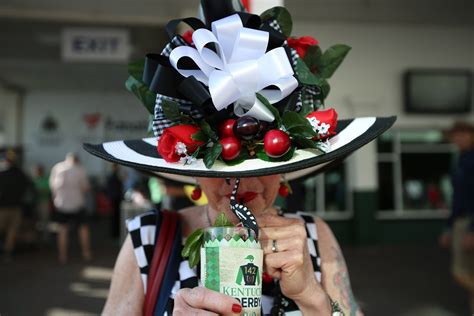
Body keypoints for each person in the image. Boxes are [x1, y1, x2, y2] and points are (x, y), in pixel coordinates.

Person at [84, 0, 395, 314]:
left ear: (285, 169)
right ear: (195, 173)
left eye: (264, 164)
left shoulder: (314, 237)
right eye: (222, 169)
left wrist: (310, 295)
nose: (245, 181)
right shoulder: (149, 240)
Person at [439, 121, 474, 312]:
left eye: (464, 134)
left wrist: (472, 230)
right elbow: (457, 198)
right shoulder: (460, 159)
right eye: (456, 135)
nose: (459, 138)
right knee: (461, 272)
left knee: (465, 271)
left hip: (470, 222)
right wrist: (448, 228)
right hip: (460, 221)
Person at [49, 152, 92, 263]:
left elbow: (52, 187)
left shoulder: (57, 168)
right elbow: (85, 188)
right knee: (83, 229)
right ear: (77, 160)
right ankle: (86, 253)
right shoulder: (80, 169)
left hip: (61, 204)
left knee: (63, 230)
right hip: (78, 204)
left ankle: (62, 256)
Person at [0, 150, 31, 260]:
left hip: (3, 208)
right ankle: (7, 253)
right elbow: (30, 188)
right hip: (16, 208)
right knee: (12, 233)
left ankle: (6, 252)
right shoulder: (21, 174)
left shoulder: (2, 174)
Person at [105, 164, 123, 238]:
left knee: (114, 216)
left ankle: (115, 233)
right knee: (115, 216)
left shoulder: (112, 176)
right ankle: (115, 234)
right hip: (116, 198)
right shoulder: (115, 176)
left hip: (114, 197)